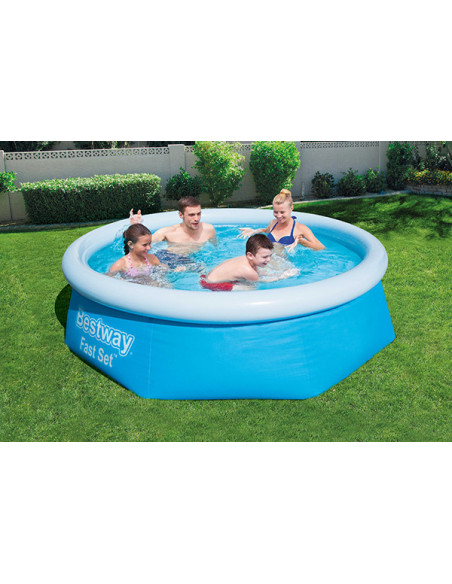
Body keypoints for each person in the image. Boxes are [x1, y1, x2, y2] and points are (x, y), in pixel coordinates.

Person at [200, 234, 298, 292]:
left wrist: (271, 273)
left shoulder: (247, 260)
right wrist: (282, 276)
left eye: (270, 256)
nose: (268, 260)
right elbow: (262, 281)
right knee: (251, 288)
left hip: (208, 276)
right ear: (250, 255)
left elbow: (259, 272)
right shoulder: (248, 271)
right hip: (210, 283)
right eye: (264, 257)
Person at [238, 189, 325, 252]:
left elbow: (321, 247)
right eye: (275, 212)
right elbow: (266, 230)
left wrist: (302, 242)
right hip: (266, 259)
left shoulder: (300, 228)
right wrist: (253, 231)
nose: (278, 216)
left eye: (282, 212)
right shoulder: (273, 222)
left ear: (291, 208)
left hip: (283, 265)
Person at [151, 196, 216, 245]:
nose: (196, 218)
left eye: (198, 214)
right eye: (191, 215)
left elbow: (216, 250)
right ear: (181, 215)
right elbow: (146, 243)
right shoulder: (168, 232)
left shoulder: (208, 229)